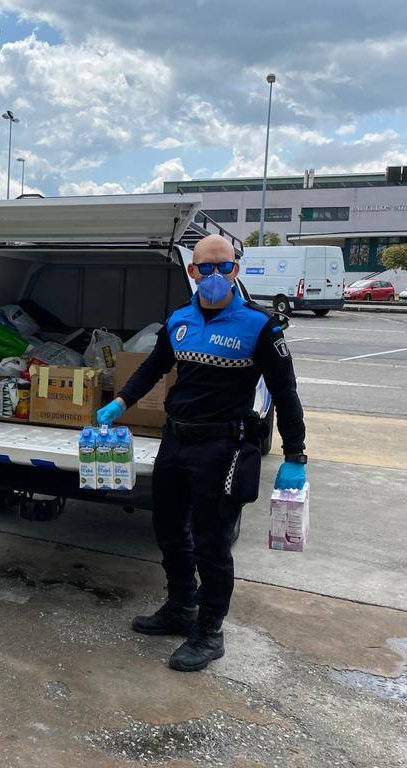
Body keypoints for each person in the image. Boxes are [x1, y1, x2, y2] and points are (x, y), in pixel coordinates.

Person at [97, 234, 308, 672]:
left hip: (222, 447)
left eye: (223, 266)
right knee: (169, 529)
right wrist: (121, 402)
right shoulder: (178, 321)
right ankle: (181, 607)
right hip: (175, 441)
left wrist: (295, 455)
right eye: (205, 268)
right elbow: (153, 368)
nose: (215, 275)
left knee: (212, 543)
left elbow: (286, 394)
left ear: (236, 270)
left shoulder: (260, 326)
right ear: (192, 272)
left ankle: (210, 632)